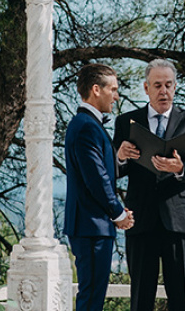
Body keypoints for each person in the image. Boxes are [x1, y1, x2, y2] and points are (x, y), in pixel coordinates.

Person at [113, 58, 185, 311]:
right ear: (146, 88)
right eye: (157, 85)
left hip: (178, 220)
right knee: (141, 297)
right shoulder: (126, 122)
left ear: (175, 87)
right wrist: (120, 156)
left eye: (168, 85)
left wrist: (180, 169)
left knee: (179, 298)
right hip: (141, 220)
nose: (163, 91)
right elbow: (114, 171)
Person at [64, 63, 135, 311]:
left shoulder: (87, 125)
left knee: (92, 296)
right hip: (91, 227)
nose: (116, 96)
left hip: (90, 225)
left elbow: (99, 170)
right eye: (113, 89)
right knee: (91, 298)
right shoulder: (86, 126)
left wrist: (118, 158)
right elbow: (96, 179)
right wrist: (118, 214)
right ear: (96, 89)